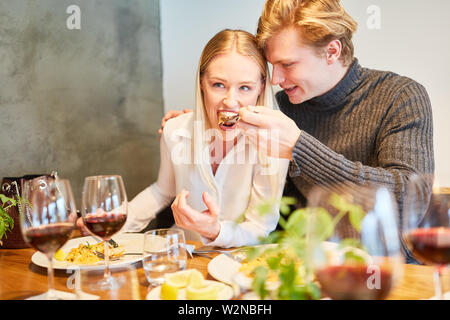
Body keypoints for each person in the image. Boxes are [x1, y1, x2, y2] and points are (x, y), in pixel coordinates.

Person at [160, 1, 434, 261]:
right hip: (300, 272)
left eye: (287, 65)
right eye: (272, 66)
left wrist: (299, 148)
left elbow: (411, 199)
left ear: (332, 51)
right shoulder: (279, 108)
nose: (276, 80)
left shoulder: (400, 97)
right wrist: (194, 124)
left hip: (387, 272)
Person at [79, 29, 289, 248]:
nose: (230, 101)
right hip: (182, 256)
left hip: (239, 264)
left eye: (245, 87)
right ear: (201, 83)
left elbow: (260, 227)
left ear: (261, 88)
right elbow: (162, 191)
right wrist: (114, 221)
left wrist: (215, 231)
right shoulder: (174, 130)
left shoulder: (274, 142)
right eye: (218, 85)